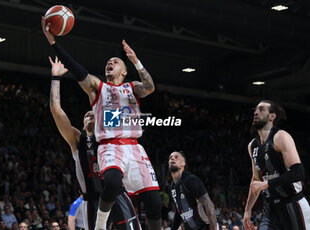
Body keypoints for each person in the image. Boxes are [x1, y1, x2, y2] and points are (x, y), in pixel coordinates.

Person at [42, 15, 161, 230]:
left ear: (124, 72)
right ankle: (100, 224)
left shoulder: (132, 87)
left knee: (155, 201)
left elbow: (150, 87)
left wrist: (136, 61)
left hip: (132, 152)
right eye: (108, 62)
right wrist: (54, 44)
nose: (110, 63)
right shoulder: (96, 93)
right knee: (113, 182)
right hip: (97, 190)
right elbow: (76, 72)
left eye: (115, 62)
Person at [48, 57, 141, 230]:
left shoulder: (110, 135)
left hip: (118, 195)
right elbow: (55, 110)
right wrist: (55, 78)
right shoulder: (77, 140)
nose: (90, 115)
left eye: (93, 113)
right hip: (92, 201)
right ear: (82, 124)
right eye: (86, 115)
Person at [243, 100, 310, 230]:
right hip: (270, 209)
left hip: (293, 203)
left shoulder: (281, 137)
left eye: (261, 109)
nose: (256, 112)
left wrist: (267, 184)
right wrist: (248, 210)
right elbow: (256, 180)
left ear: (272, 116)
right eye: (255, 110)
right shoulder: (252, 146)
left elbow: (299, 172)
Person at [168, 151, 218, 230]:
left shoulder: (191, 180)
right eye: (170, 158)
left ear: (183, 164)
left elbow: (209, 205)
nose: (172, 158)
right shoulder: (172, 186)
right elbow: (179, 211)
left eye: (176, 157)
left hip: (204, 226)